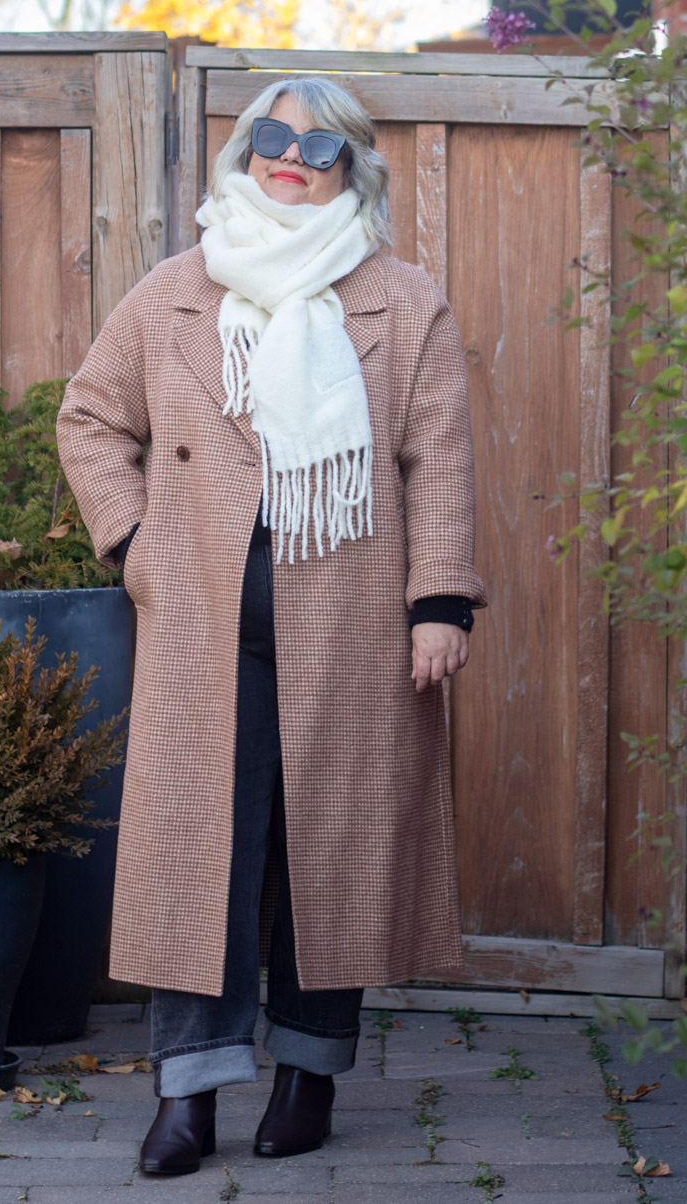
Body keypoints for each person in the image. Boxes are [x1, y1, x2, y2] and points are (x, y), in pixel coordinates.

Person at [55, 75, 488, 1179]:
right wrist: (133, 546)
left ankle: (308, 1076)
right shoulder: (173, 294)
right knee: (201, 855)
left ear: (353, 168)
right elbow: (92, 419)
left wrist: (438, 603)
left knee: (327, 851)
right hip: (203, 622)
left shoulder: (401, 298)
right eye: (271, 137)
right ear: (245, 153)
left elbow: (436, 456)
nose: (290, 157)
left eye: (318, 144)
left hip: (351, 619)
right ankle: (188, 1095)